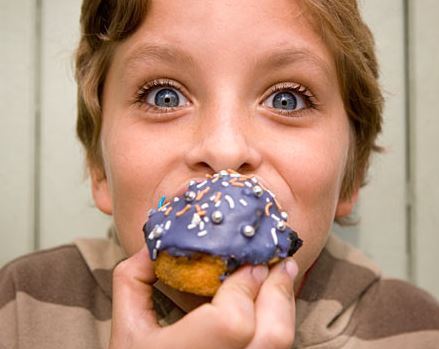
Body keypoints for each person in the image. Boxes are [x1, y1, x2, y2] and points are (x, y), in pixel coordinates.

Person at [1, 0, 438, 348]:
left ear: (351, 172)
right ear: (99, 167)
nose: (225, 149)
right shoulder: (20, 308)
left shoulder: (418, 331)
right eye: (165, 96)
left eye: (287, 100)